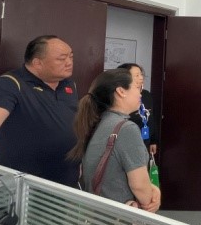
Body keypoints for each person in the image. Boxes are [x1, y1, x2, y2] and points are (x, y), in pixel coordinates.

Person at [0, 35, 80, 186]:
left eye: (71, 57)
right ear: (37, 63)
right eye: (61, 59)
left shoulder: (69, 84)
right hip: (22, 187)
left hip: (67, 183)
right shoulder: (9, 84)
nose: (69, 62)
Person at [68, 69, 160, 211]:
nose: (140, 93)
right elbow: (139, 187)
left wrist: (152, 188)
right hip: (120, 217)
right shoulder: (127, 129)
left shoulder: (99, 123)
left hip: (100, 213)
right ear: (121, 91)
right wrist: (152, 200)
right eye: (137, 87)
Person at [116, 63, 159, 156]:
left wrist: (153, 140)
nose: (141, 78)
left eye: (141, 74)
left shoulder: (146, 95)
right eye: (137, 75)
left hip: (145, 143)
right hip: (128, 145)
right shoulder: (121, 98)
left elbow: (151, 118)